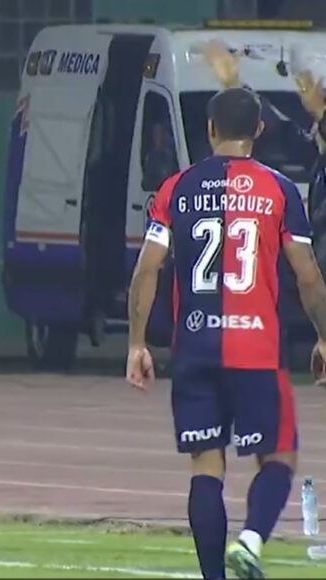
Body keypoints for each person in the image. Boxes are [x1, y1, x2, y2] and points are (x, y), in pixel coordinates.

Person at [126, 87, 326, 579]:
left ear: (210, 130)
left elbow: (147, 270)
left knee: (205, 463)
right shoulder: (280, 190)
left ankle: (213, 577)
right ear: (258, 131)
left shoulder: (175, 189)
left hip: (194, 347)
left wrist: (136, 343)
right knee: (278, 454)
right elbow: (306, 274)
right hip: (255, 347)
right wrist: (324, 335)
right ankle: (251, 541)